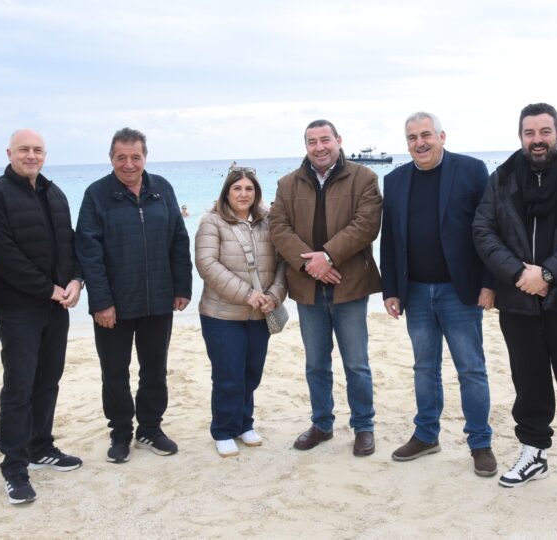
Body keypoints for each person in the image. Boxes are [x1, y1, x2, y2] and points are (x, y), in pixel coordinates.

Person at [473, 103, 557, 503]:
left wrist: (547, 273)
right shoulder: (502, 178)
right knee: (528, 384)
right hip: (518, 304)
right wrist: (519, 273)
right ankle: (533, 452)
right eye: (530, 133)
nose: (537, 140)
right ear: (520, 137)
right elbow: (483, 230)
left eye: (545, 132)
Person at [380, 112, 497, 477]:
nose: (420, 143)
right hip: (414, 292)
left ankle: (480, 443)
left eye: (426, 135)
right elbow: (390, 239)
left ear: (442, 137)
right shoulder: (395, 180)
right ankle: (426, 435)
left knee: (471, 370)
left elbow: (491, 228)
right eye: (412, 137)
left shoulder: (472, 170)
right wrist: (390, 289)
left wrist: (489, 283)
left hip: (460, 292)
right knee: (424, 368)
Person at [0, 129, 84, 505]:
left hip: (57, 306)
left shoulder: (55, 193)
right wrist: (48, 288)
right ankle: (14, 466)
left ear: (45, 155)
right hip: (17, 307)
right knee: (19, 386)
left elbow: (69, 243)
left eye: (38, 150)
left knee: (48, 379)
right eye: (24, 149)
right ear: (9, 153)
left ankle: (41, 446)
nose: (31, 155)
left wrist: (76, 280)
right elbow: (3, 253)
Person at [75, 127, 193, 463]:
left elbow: (178, 239)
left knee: (155, 369)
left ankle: (150, 428)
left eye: (135, 157)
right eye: (121, 157)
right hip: (114, 304)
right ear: (111, 158)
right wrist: (101, 302)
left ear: (145, 157)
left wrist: (182, 286)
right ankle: (121, 433)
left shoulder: (162, 189)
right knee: (115, 373)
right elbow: (88, 251)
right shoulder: (96, 194)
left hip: (159, 298)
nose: (128, 164)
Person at [269, 119, 382, 456]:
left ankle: (363, 426)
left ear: (338, 140)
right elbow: (278, 227)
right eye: (312, 141)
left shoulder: (364, 177)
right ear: (305, 146)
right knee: (316, 363)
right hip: (308, 287)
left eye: (325, 139)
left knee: (356, 363)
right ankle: (322, 424)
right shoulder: (287, 184)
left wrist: (329, 256)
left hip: (350, 285)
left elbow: (367, 224)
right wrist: (311, 265)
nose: (319, 147)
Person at [195, 167, 287, 457]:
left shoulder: (268, 221)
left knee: (251, 373)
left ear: (256, 193)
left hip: (260, 314)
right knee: (228, 375)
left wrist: (274, 296)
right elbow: (207, 265)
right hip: (221, 315)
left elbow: (283, 263)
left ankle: (244, 424)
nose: (243, 194)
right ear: (227, 192)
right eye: (237, 188)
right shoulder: (211, 222)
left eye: (249, 189)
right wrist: (248, 295)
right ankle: (223, 430)